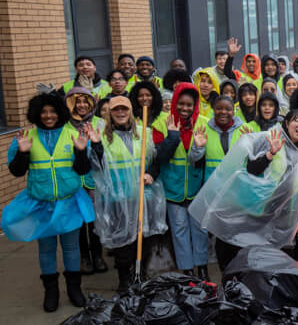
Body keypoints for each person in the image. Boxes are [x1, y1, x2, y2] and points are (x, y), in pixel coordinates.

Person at [191, 109, 298, 271]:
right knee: (239, 255)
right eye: (297, 120)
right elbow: (251, 169)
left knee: (266, 262)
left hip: (279, 215)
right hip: (252, 210)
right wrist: (270, 154)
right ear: (286, 123)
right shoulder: (269, 138)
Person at [2, 91, 93, 311]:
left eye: (52, 111)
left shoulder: (73, 134)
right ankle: (51, 292)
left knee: (71, 248)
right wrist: (23, 152)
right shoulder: (26, 137)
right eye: (44, 112)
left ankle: (74, 289)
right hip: (41, 204)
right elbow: (16, 171)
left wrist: (81, 151)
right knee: (46, 249)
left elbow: (83, 169)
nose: (48, 116)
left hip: (68, 201)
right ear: (37, 114)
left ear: (60, 112)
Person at [87, 96, 166, 291]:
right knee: (122, 242)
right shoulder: (102, 136)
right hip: (117, 198)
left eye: (124, 109)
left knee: (144, 238)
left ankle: (140, 273)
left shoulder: (143, 133)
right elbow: (97, 165)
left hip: (141, 195)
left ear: (130, 111)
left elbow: (156, 159)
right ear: (110, 113)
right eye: (116, 110)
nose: (120, 113)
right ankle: (124, 279)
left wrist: (151, 174)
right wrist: (96, 145)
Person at [153, 83, 210, 279]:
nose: (185, 108)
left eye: (189, 105)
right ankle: (187, 269)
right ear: (175, 101)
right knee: (179, 231)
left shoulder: (203, 123)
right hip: (173, 189)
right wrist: (173, 136)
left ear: (195, 105)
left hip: (197, 189)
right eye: (181, 104)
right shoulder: (161, 124)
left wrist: (199, 148)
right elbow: (160, 158)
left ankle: (202, 266)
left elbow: (200, 160)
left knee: (200, 230)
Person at [64, 86, 105, 275]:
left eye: (85, 102)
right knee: (79, 223)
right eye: (77, 102)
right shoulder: (64, 126)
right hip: (73, 181)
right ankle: (84, 258)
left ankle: (97, 255)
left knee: (95, 222)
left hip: (94, 181)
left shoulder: (101, 123)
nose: (81, 105)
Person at [203, 96, 244, 182]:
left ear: (233, 112)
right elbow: (194, 161)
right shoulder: (204, 130)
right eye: (219, 108)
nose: (223, 112)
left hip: (235, 185)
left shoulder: (245, 130)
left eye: (228, 109)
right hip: (211, 186)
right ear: (213, 110)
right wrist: (198, 148)